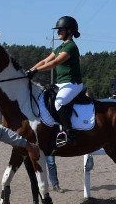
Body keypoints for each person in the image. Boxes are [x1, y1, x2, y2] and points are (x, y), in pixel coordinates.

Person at [27, 16, 82, 146]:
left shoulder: (71, 47)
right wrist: (30, 70)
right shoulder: (59, 48)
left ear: (69, 31)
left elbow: (55, 62)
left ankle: (69, 134)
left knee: (59, 102)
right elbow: (45, 61)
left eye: (60, 30)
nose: (58, 32)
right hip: (61, 83)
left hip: (72, 83)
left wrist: (36, 71)